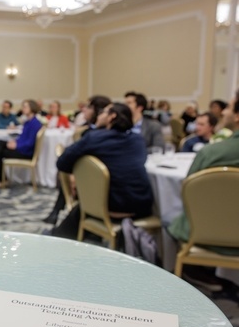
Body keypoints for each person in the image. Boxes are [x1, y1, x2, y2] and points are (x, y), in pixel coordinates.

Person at [49, 103, 153, 239]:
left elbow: (62, 162)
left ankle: (58, 238)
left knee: (84, 204)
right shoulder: (138, 140)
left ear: (112, 117)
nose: (99, 115)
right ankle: (62, 236)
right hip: (142, 204)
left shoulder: (95, 138)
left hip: (112, 206)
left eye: (103, 112)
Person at [168, 98, 239, 256]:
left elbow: (187, 193)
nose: (224, 112)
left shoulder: (211, 153)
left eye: (228, 107)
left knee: (167, 217)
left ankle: (187, 273)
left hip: (210, 234)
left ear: (237, 116)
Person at [0, 99, 42, 185]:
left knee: (0, 152)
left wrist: (17, 146)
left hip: (26, 152)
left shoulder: (35, 123)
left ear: (32, 108)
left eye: (25, 107)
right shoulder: (28, 122)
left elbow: (30, 142)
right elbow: (22, 138)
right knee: (0, 143)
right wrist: (14, 142)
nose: (23, 109)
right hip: (23, 148)